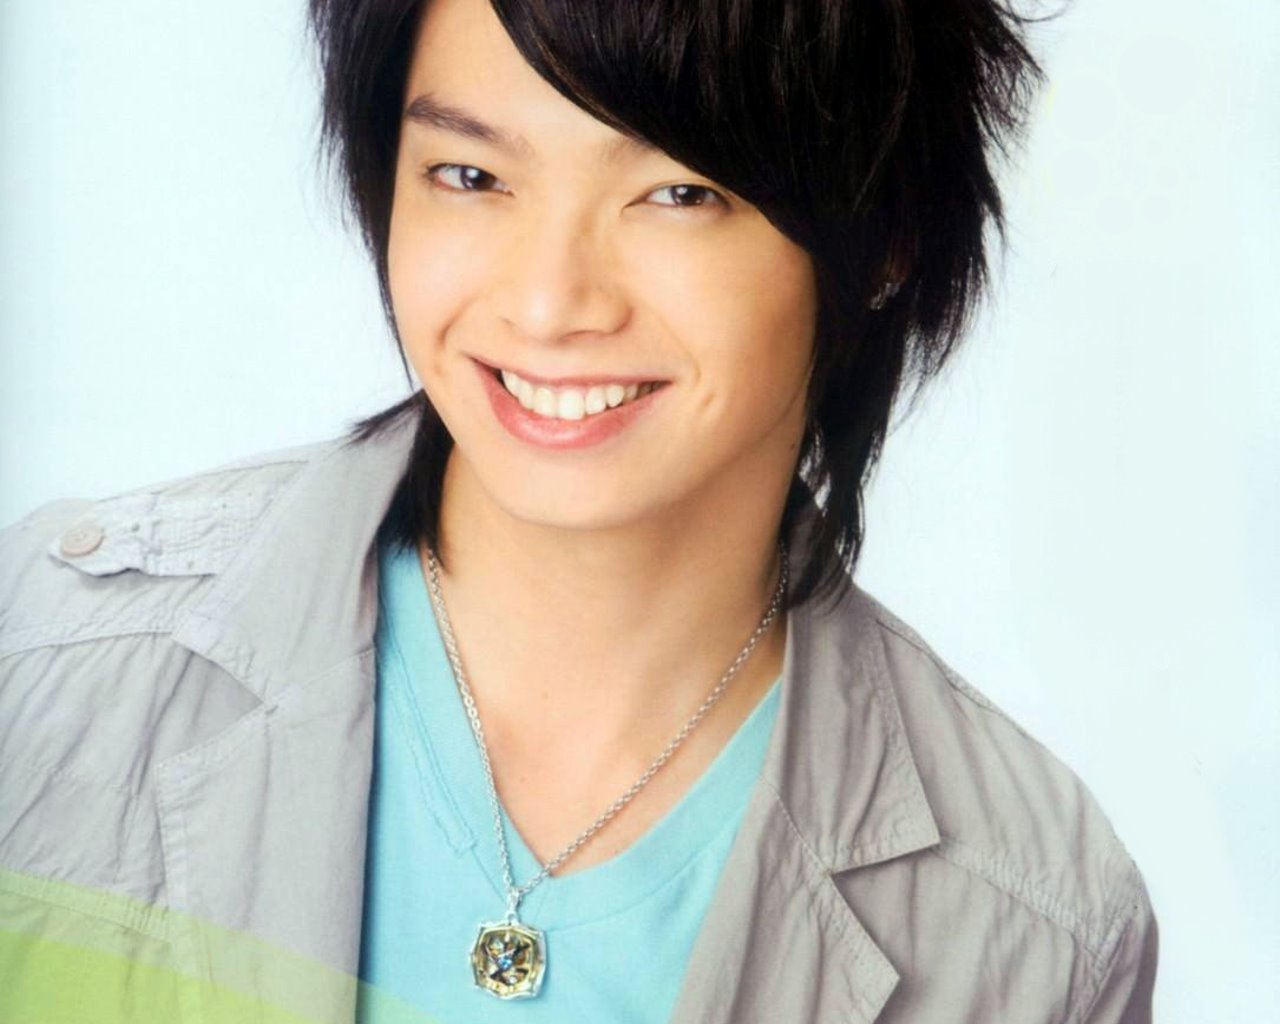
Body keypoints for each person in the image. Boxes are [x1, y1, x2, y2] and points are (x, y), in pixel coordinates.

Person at [0, 0, 1158, 1021]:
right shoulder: (45, 660)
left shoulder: (1026, 924)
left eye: (677, 193)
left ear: (884, 239)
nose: (549, 302)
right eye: (470, 176)